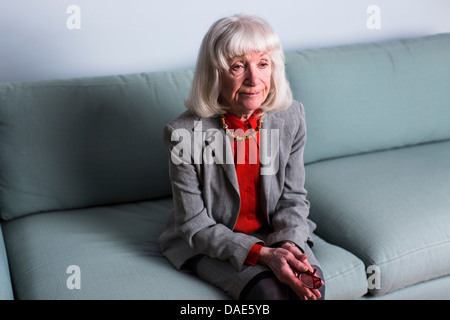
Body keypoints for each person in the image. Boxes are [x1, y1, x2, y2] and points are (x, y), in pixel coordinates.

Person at [159, 14, 325, 300]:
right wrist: (262, 254)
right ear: (215, 73)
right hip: (211, 239)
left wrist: (288, 244)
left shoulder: (291, 117)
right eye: (238, 66)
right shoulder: (182, 133)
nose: (253, 79)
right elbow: (195, 225)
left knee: (312, 287)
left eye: (263, 64)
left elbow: (293, 197)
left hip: (276, 232)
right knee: (268, 294)